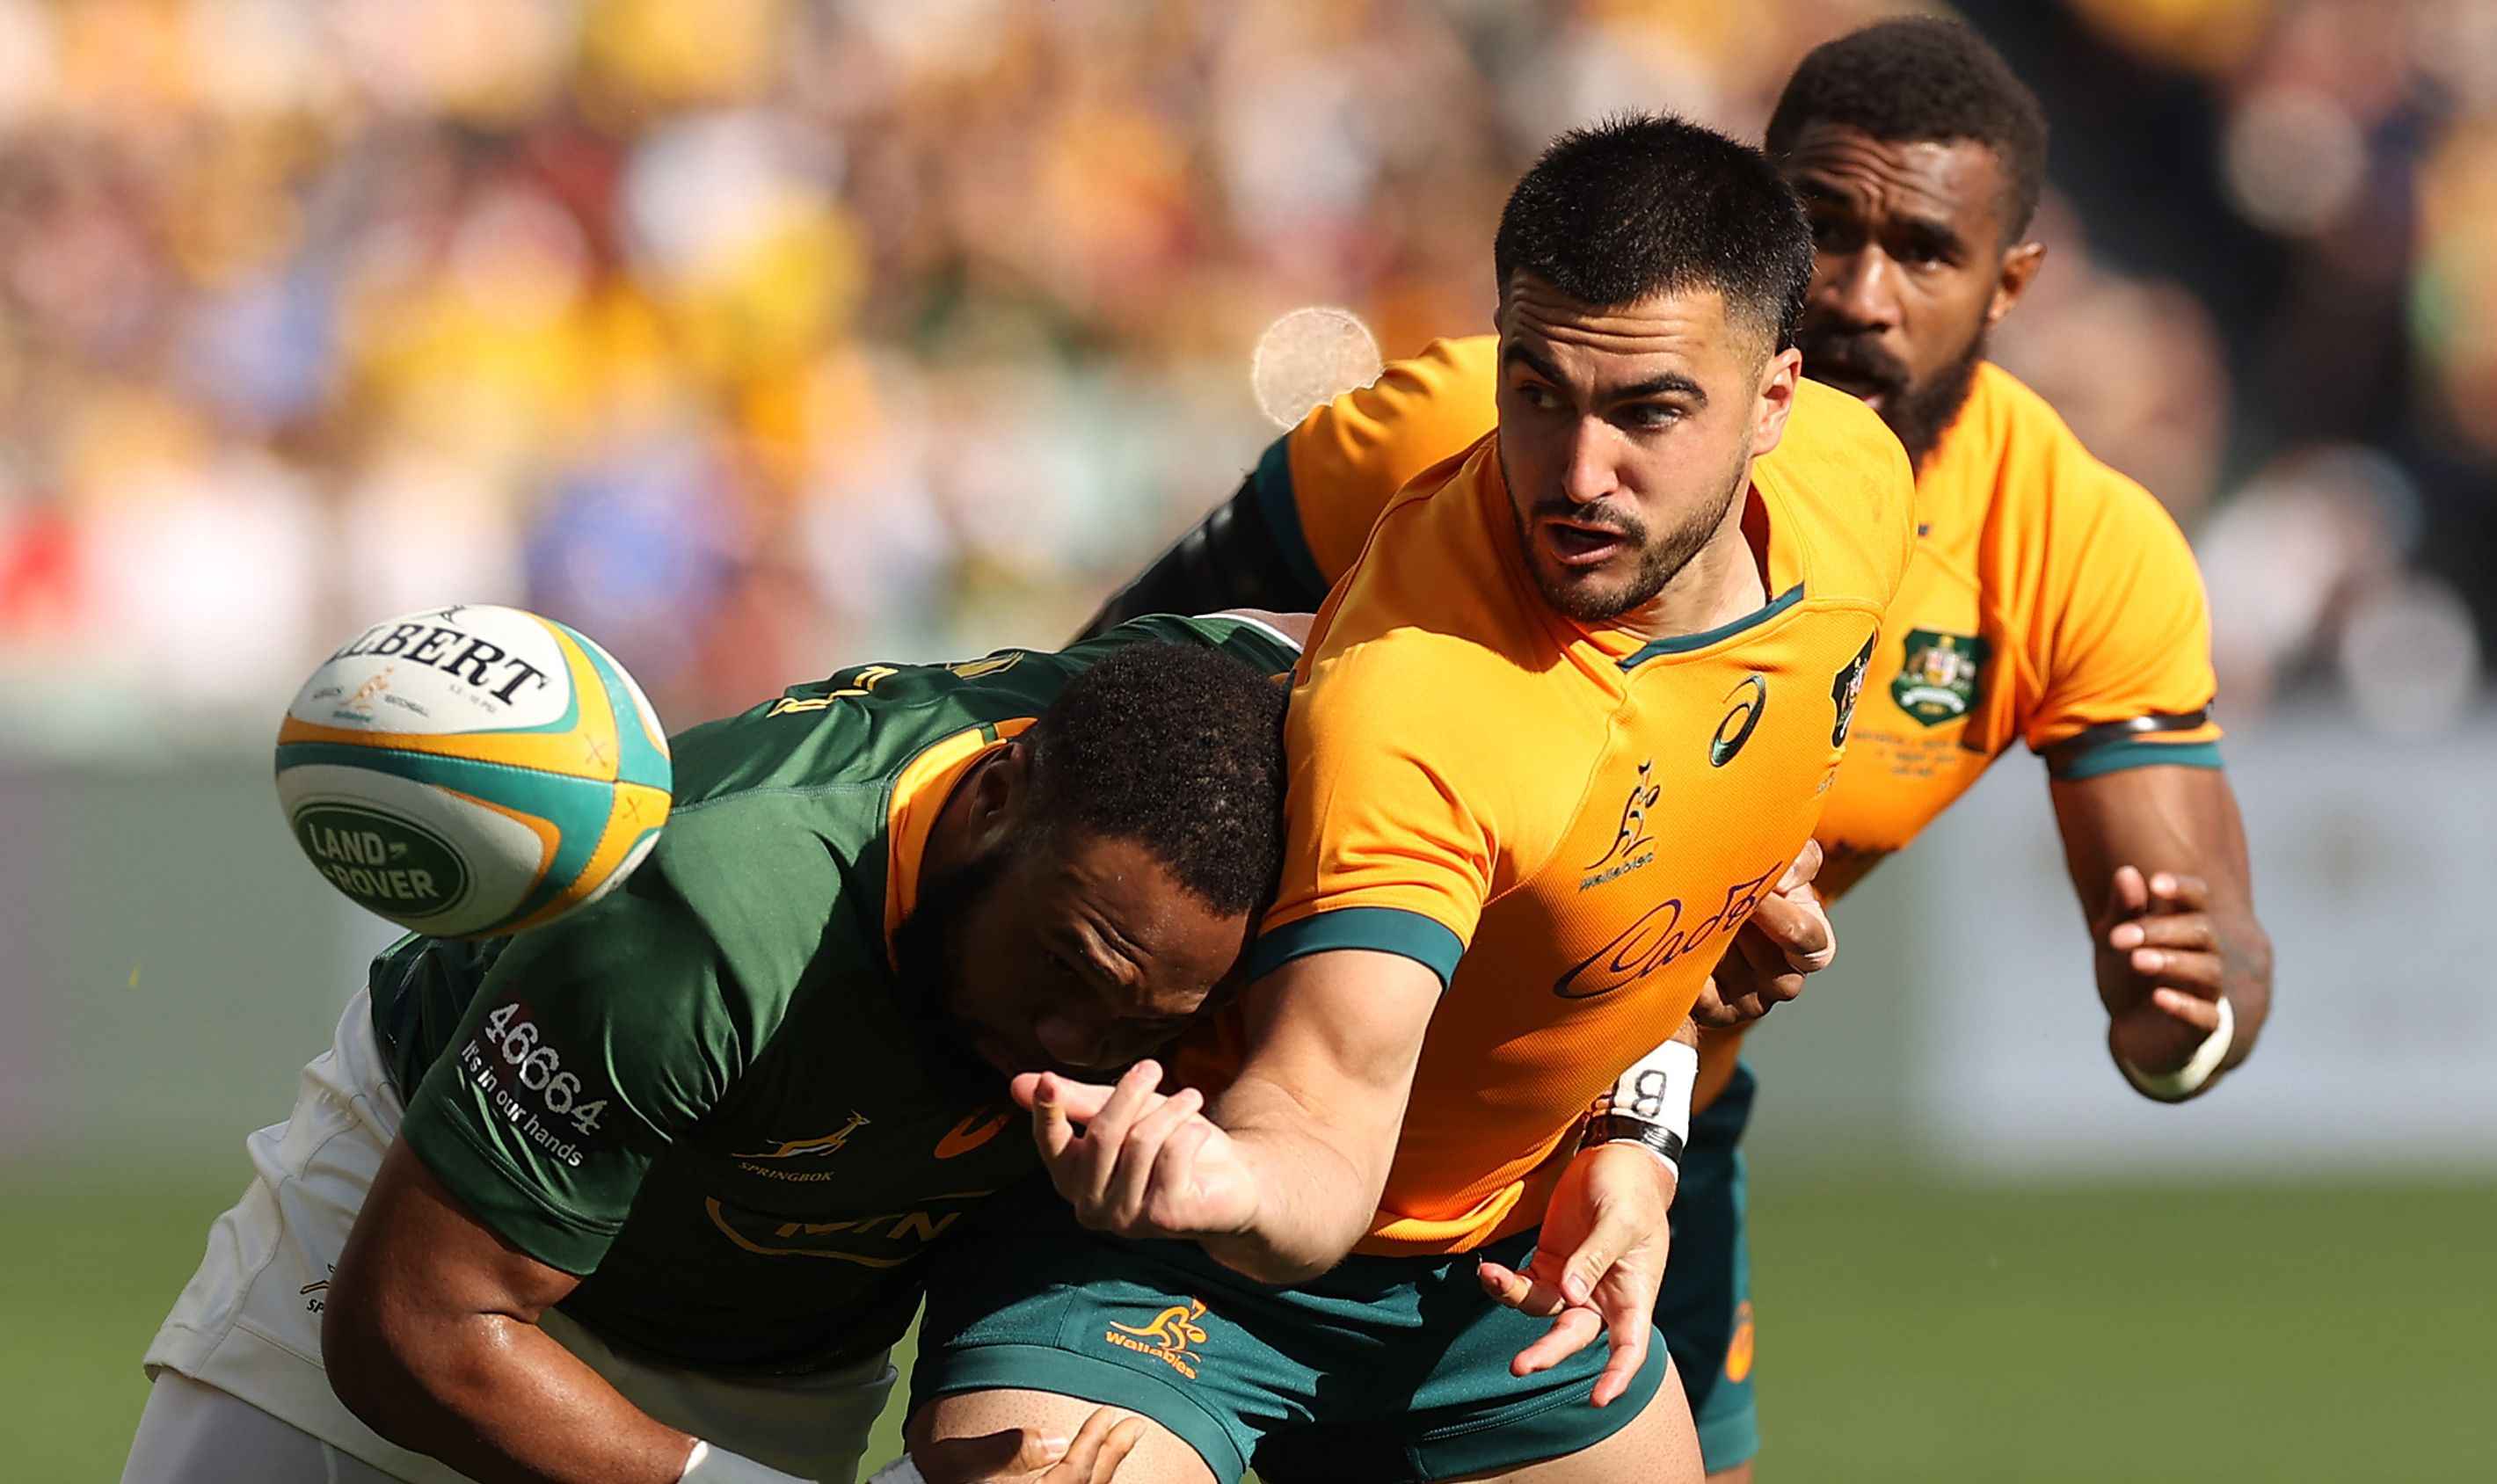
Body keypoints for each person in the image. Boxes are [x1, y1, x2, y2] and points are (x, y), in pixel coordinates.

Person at [1081, 19, 2277, 1483]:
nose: (1860, 295)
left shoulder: (2067, 549)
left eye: (1923, 251)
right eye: (1822, 229)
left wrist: (2186, 1022)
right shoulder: (1498, 431)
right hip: (1282, 1100)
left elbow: (2196, 984)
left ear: (2011, 280)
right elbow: (1114, 696)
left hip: (1640, 1134)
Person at [905, 116, 1917, 1484]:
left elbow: (1678, 902)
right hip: (1181, 1251)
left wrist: (1638, 1129)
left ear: (1780, 402)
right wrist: (1220, 1178)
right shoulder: (1426, 700)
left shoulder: (1859, 492)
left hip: (1489, 1277)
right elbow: (1322, 1111)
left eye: (1651, 412)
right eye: (1538, 391)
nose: (1577, 473)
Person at [120, 616, 1306, 1484]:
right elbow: (414, 1333)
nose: (1071, 1045)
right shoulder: (708, 914)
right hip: (427, 1210)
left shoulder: (1288, 729)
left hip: (777, 1348)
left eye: (1143, 1026)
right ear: (997, 790)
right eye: (1063, 964)